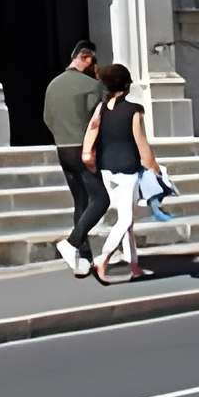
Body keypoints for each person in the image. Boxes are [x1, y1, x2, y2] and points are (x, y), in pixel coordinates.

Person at [80, 62, 162, 283]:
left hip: (107, 169)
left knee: (127, 220)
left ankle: (134, 265)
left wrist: (88, 158)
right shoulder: (134, 110)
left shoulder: (101, 108)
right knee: (125, 219)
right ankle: (103, 258)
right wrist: (154, 167)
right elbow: (142, 143)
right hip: (127, 170)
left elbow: (92, 133)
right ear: (126, 85)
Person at [44, 41, 105, 278]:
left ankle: (84, 256)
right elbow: (97, 118)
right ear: (87, 58)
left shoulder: (52, 85)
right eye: (94, 61)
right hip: (83, 147)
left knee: (80, 200)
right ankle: (71, 243)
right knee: (100, 199)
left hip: (63, 147)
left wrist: (62, 134)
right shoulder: (92, 85)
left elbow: (47, 117)